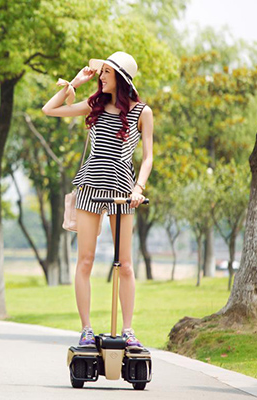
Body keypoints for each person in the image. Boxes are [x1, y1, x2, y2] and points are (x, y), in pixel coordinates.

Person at [42, 52, 154, 349]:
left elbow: (148, 157)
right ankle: (86, 329)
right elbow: (49, 109)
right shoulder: (95, 106)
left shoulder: (142, 112)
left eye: (106, 72)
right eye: (101, 71)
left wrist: (139, 188)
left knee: (125, 264)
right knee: (85, 261)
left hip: (123, 192)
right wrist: (75, 83)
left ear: (121, 78)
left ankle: (128, 330)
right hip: (90, 187)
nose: (101, 77)